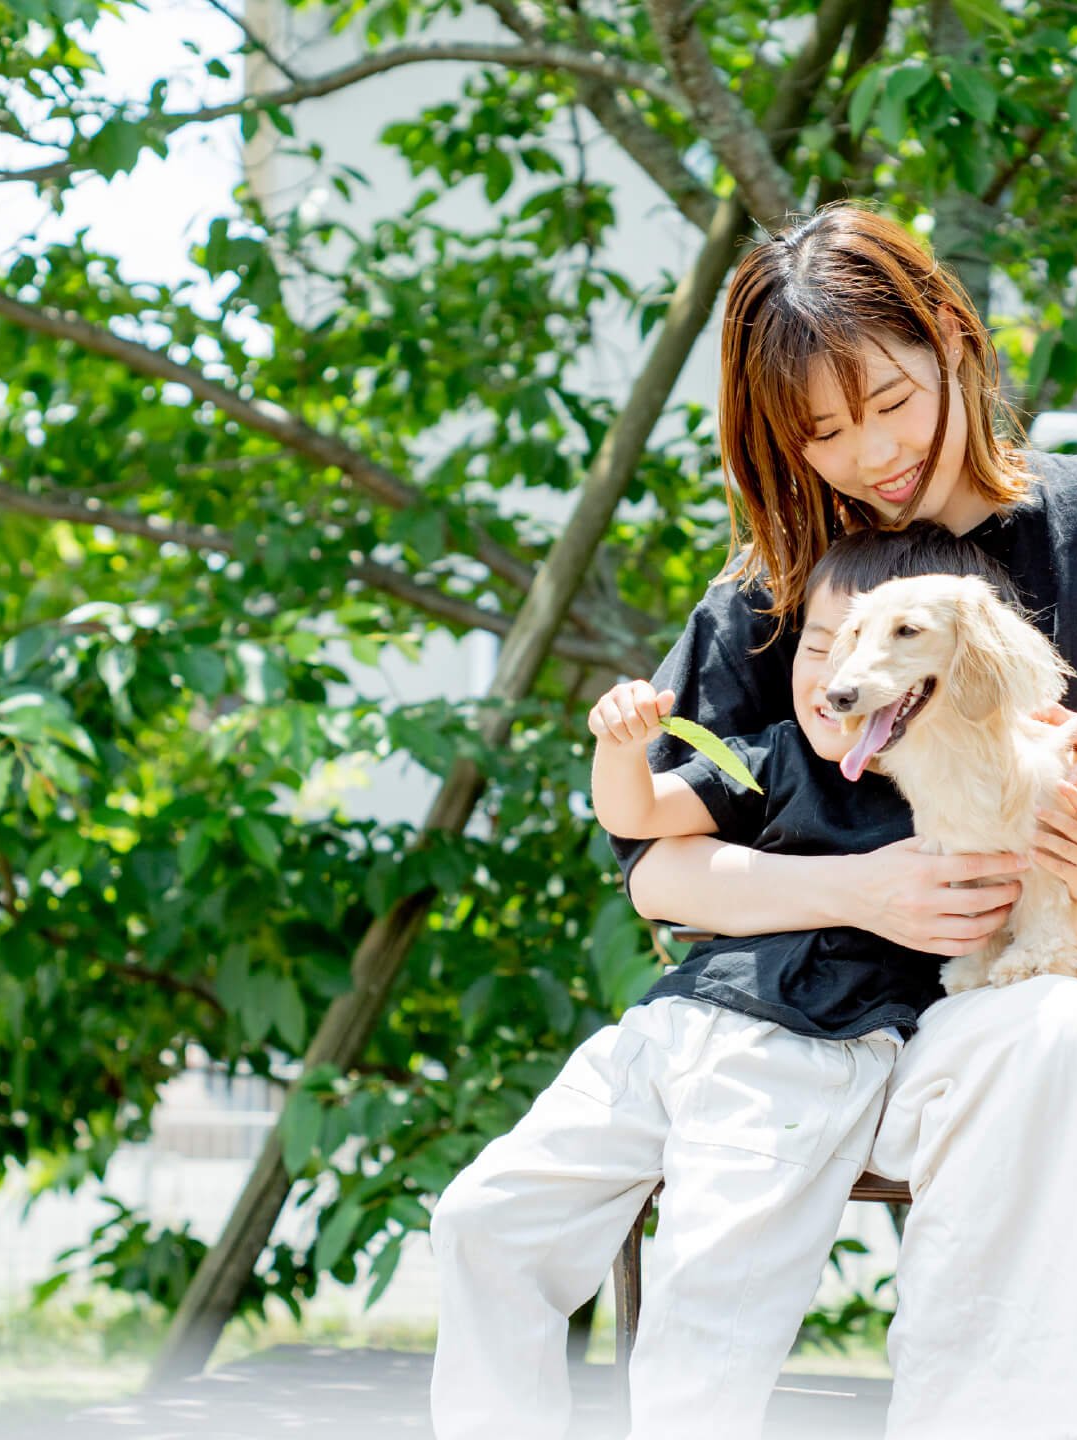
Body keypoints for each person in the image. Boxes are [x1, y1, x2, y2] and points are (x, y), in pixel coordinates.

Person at [619, 203, 1077, 1440]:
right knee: (1056, 1037)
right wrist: (868, 890)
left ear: (950, 336)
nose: (867, 456)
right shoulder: (783, 595)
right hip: (914, 1027)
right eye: (818, 433)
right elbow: (663, 872)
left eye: (886, 400)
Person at [429, 525, 1027, 1440]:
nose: (845, 675)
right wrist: (620, 745)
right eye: (824, 647)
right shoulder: (776, 752)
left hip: (801, 1055)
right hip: (664, 1033)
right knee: (484, 1222)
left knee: (704, 1312)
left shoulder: (973, 788)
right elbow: (638, 815)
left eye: (892, 646)